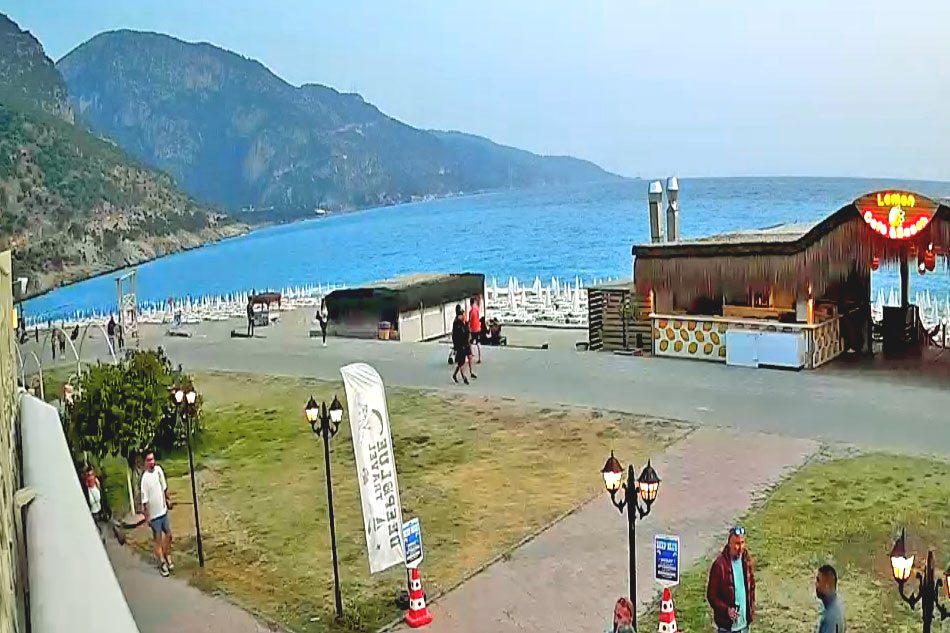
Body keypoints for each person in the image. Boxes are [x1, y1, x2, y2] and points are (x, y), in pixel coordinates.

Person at [707, 526, 756, 633]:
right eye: (737, 544)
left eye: (742, 542)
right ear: (729, 544)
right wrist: (726, 610)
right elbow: (711, 596)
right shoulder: (719, 566)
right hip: (727, 628)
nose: (740, 547)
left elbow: (751, 587)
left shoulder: (746, 562)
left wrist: (750, 611)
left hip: (744, 626)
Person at [140, 450, 173, 577]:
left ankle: (167, 554)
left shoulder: (159, 471)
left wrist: (168, 500)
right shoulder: (144, 479)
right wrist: (147, 516)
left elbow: (164, 487)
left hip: (163, 511)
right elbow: (144, 500)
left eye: (153, 459)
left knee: (169, 535)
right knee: (157, 540)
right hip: (154, 516)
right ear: (145, 462)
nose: (152, 462)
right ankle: (162, 563)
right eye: (149, 460)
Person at [815, 564, 845, 633]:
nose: (816, 584)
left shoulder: (830, 617)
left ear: (827, 586)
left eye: (818, 580)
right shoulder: (836, 604)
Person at [451, 304, 470, 385]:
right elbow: (455, 336)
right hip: (460, 345)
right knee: (461, 361)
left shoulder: (463, 323)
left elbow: (466, 331)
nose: (463, 316)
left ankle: (455, 375)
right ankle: (464, 377)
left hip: (464, 344)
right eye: (462, 315)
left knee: (461, 362)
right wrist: (456, 346)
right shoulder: (457, 324)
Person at [468, 295, 482, 364]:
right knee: (478, 343)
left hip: (473, 329)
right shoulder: (476, 309)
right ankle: (479, 357)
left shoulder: (471, 311)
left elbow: (470, 321)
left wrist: (468, 328)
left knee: (470, 342)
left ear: (470, 303)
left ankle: (471, 354)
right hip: (478, 328)